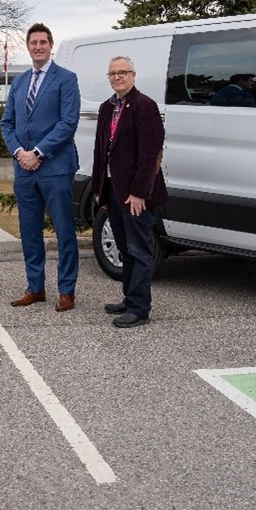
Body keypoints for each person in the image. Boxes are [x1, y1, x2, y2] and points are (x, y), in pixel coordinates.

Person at [0, 22, 81, 312]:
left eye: (43, 42)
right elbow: (7, 123)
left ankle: (66, 291)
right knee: (30, 231)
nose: (38, 46)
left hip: (55, 168)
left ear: (50, 45)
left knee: (64, 230)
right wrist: (20, 152)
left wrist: (38, 152)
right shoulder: (19, 82)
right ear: (28, 46)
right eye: (33, 42)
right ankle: (35, 288)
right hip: (24, 170)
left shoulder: (66, 79)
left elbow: (68, 123)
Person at [91, 56, 166, 328]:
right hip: (113, 190)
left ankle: (140, 308)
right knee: (124, 248)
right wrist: (99, 189)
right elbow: (101, 151)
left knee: (139, 250)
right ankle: (129, 297)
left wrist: (139, 193)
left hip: (136, 194)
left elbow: (150, 155)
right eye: (112, 73)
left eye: (123, 72)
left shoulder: (145, 106)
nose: (117, 77)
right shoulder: (106, 108)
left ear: (133, 75)